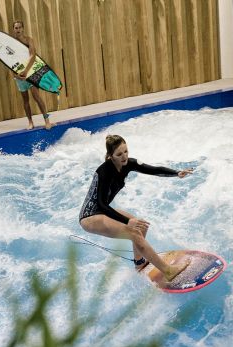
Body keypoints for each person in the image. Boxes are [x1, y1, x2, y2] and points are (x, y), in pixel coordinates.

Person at [79, 135, 194, 281]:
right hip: (90, 215)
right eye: (119, 154)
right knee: (134, 232)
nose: (124, 157)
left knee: (141, 226)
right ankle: (168, 271)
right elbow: (101, 204)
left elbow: (152, 169)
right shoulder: (104, 171)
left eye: (126, 151)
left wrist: (176, 173)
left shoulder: (129, 163)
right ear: (110, 156)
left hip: (102, 211)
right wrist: (127, 221)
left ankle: (139, 263)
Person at [12, 20, 52, 130]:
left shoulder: (29, 40)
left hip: (31, 72)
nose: (18, 29)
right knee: (25, 100)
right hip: (19, 75)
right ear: (13, 30)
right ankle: (30, 122)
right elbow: (9, 60)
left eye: (20, 27)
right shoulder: (12, 43)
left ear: (23, 28)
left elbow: (32, 56)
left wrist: (26, 71)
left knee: (36, 96)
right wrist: (15, 74)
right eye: (16, 28)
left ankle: (47, 120)